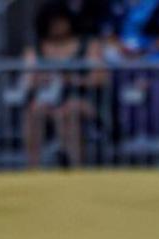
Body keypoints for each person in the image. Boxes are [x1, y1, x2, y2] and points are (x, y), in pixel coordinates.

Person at [21, 1, 107, 168]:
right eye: (52, 23)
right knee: (34, 111)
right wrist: (39, 79)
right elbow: (27, 79)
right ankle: (33, 167)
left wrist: (71, 80)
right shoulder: (35, 48)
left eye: (60, 21)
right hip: (49, 99)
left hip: (84, 100)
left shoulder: (89, 44)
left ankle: (76, 167)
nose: (57, 27)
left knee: (67, 112)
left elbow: (100, 78)